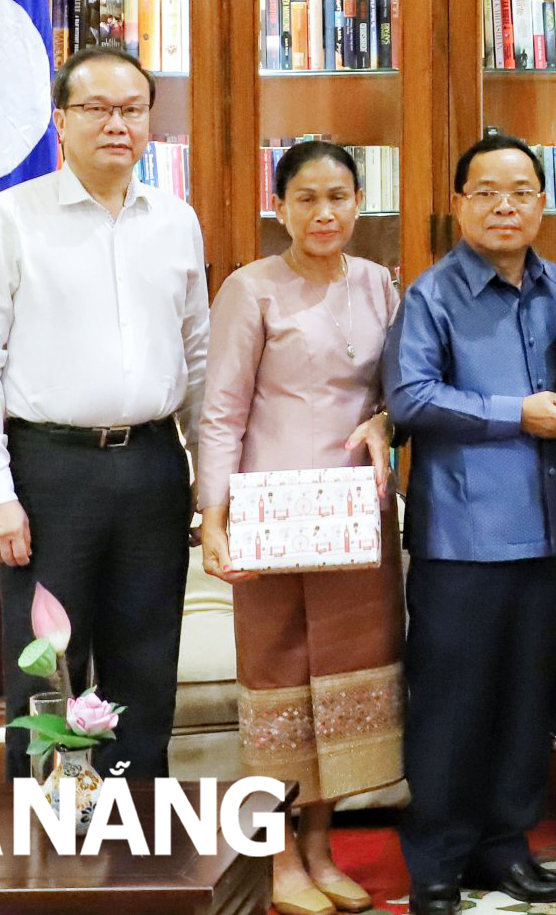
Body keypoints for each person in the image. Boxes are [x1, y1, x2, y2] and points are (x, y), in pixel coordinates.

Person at [0, 46, 208, 781]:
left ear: (149, 123)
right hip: (49, 471)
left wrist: (209, 481)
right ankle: (49, 848)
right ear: (61, 121)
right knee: (49, 668)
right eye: (96, 108)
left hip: (155, 464)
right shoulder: (7, 220)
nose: (115, 124)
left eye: (131, 110)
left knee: (147, 664)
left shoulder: (176, 221)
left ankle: (136, 840)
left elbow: (199, 360)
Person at [197, 141, 402, 915]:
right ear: (279, 205)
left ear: (357, 203)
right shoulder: (251, 290)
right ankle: (279, 860)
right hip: (271, 518)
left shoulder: (379, 284)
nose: (325, 213)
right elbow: (220, 411)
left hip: (354, 516)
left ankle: (322, 850)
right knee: (279, 688)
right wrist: (213, 518)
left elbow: (394, 390)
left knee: (341, 686)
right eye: (307, 198)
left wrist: (386, 418)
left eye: (339, 197)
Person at [382, 134, 556, 915]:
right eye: (487, 192)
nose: (506, 206)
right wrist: (516, 415)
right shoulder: (431, 295)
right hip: (462, 541)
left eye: (522, 191)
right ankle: (437, 859)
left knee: (527, 702)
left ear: (542, 201)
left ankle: (506, 847)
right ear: (460, 203)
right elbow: (412, 399)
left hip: (549, 532)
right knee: (451, 706)